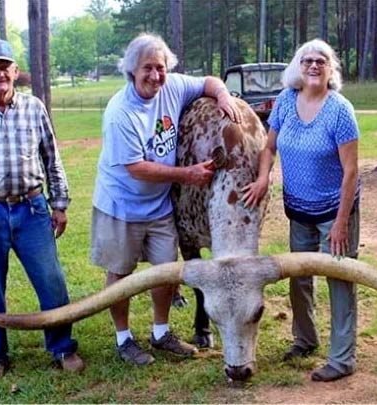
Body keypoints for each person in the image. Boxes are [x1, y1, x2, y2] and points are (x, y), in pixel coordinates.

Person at [91, 33, 241, 366]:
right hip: (122, 204)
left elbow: (208, 81)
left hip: (158, 205)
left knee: (167, 271)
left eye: (160, 67)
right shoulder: (120, 113)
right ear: (132, 70)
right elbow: (136, 168)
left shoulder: (171, 86)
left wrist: (223, 95)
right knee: (120, 273)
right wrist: (187, 174)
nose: (155, 76)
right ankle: (124, 339)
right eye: (148, 68)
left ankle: (160, 333)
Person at [0, 39, 85, 379]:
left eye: (5, 67)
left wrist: (60, 204)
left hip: (33, 209)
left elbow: (53, 159)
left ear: (16, 71)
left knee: (51, 280)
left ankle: (62, 347)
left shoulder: (34, 108)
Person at [243, 39, 361, 382]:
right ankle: (305, 339)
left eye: (320, 61)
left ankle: (341, 359)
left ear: (330, 69)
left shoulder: (340, 110)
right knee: (300, 279)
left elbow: (351, 171)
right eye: (307, 60)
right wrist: (264, 177)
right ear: (298, 67)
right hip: (298, 211)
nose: (313, 65)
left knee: (339, 281)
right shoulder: (284, 101)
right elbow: (269, 146)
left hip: (334, 213)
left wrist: (341, 223)